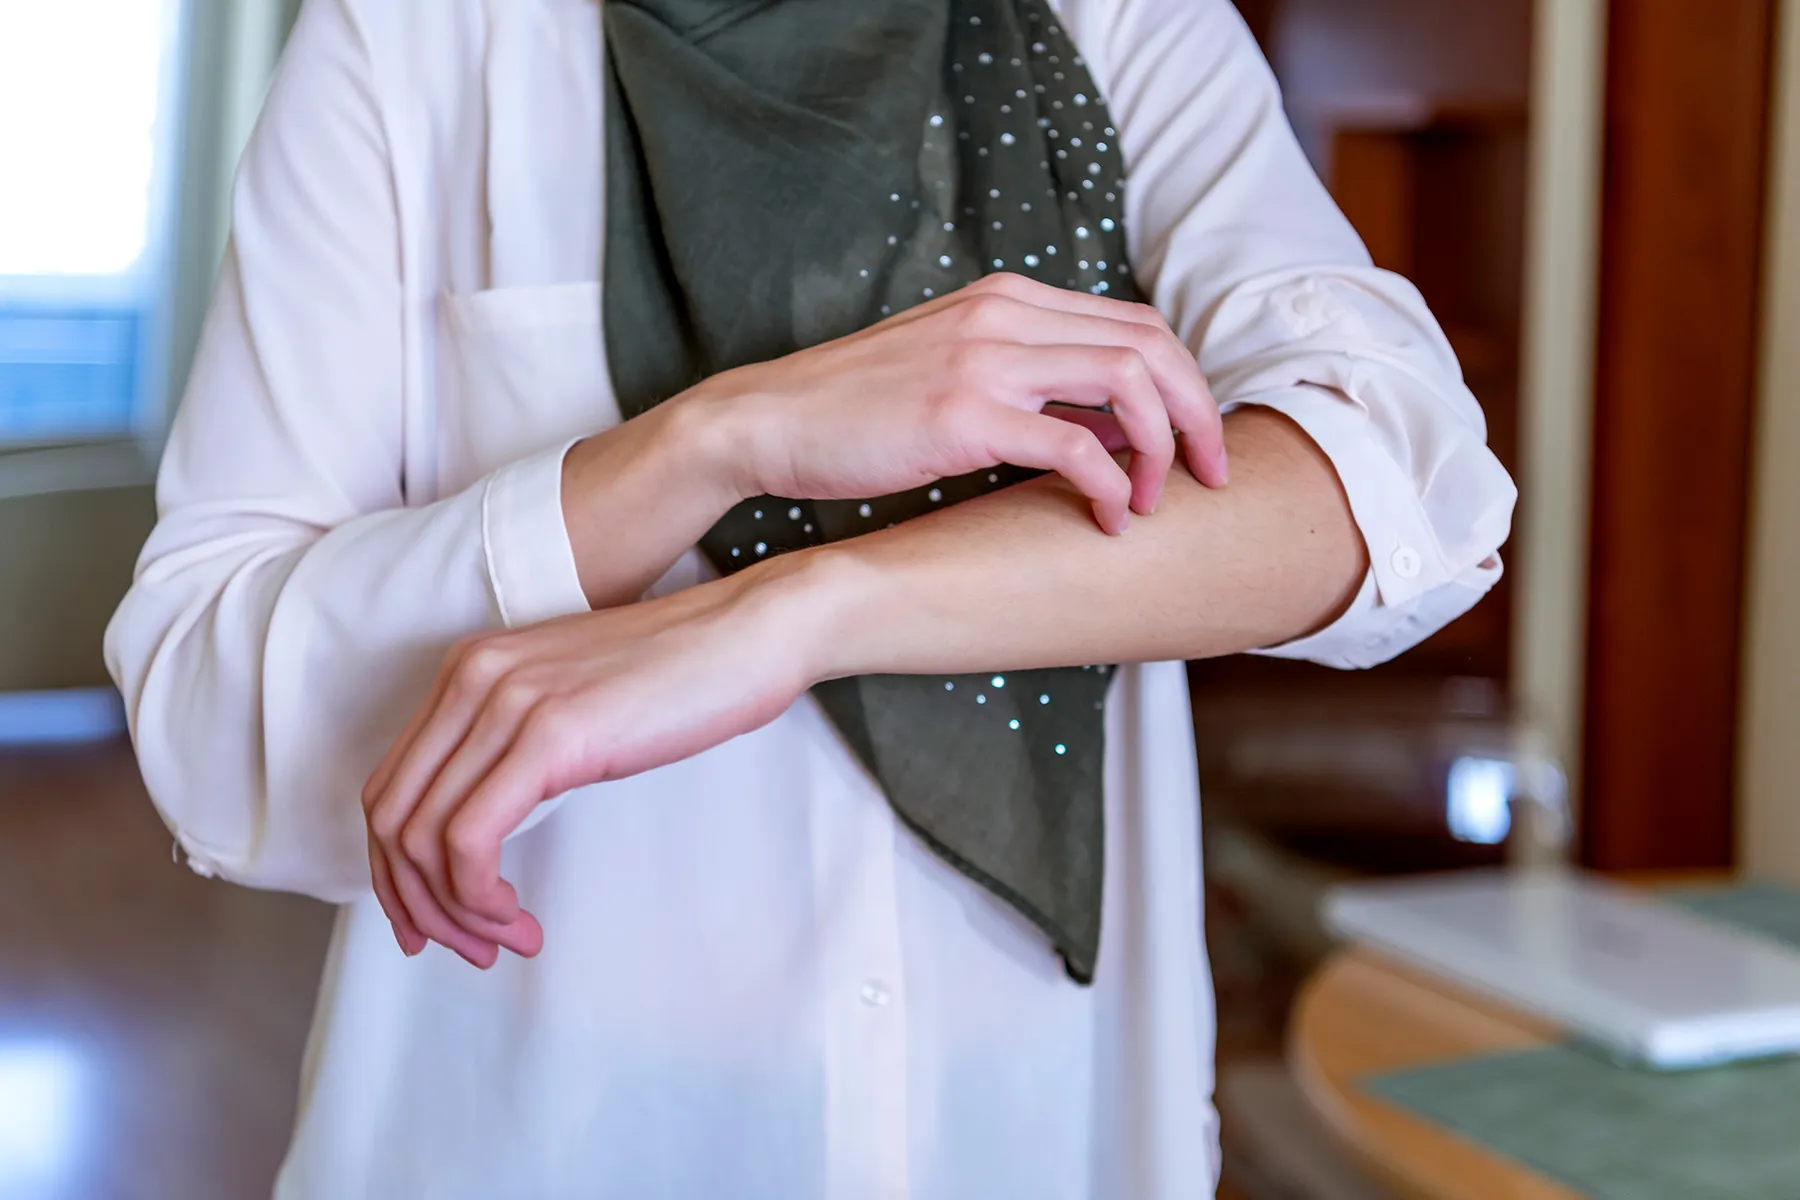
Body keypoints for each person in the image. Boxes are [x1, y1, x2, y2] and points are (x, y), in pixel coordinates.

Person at [105, 0, 1516, 1194]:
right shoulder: (421, 36)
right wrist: (713, 443)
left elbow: (1397, 483)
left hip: (1033, 1123)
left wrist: (786, 614)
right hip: (553, 1128)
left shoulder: (1118, 23)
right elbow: (205, 707)